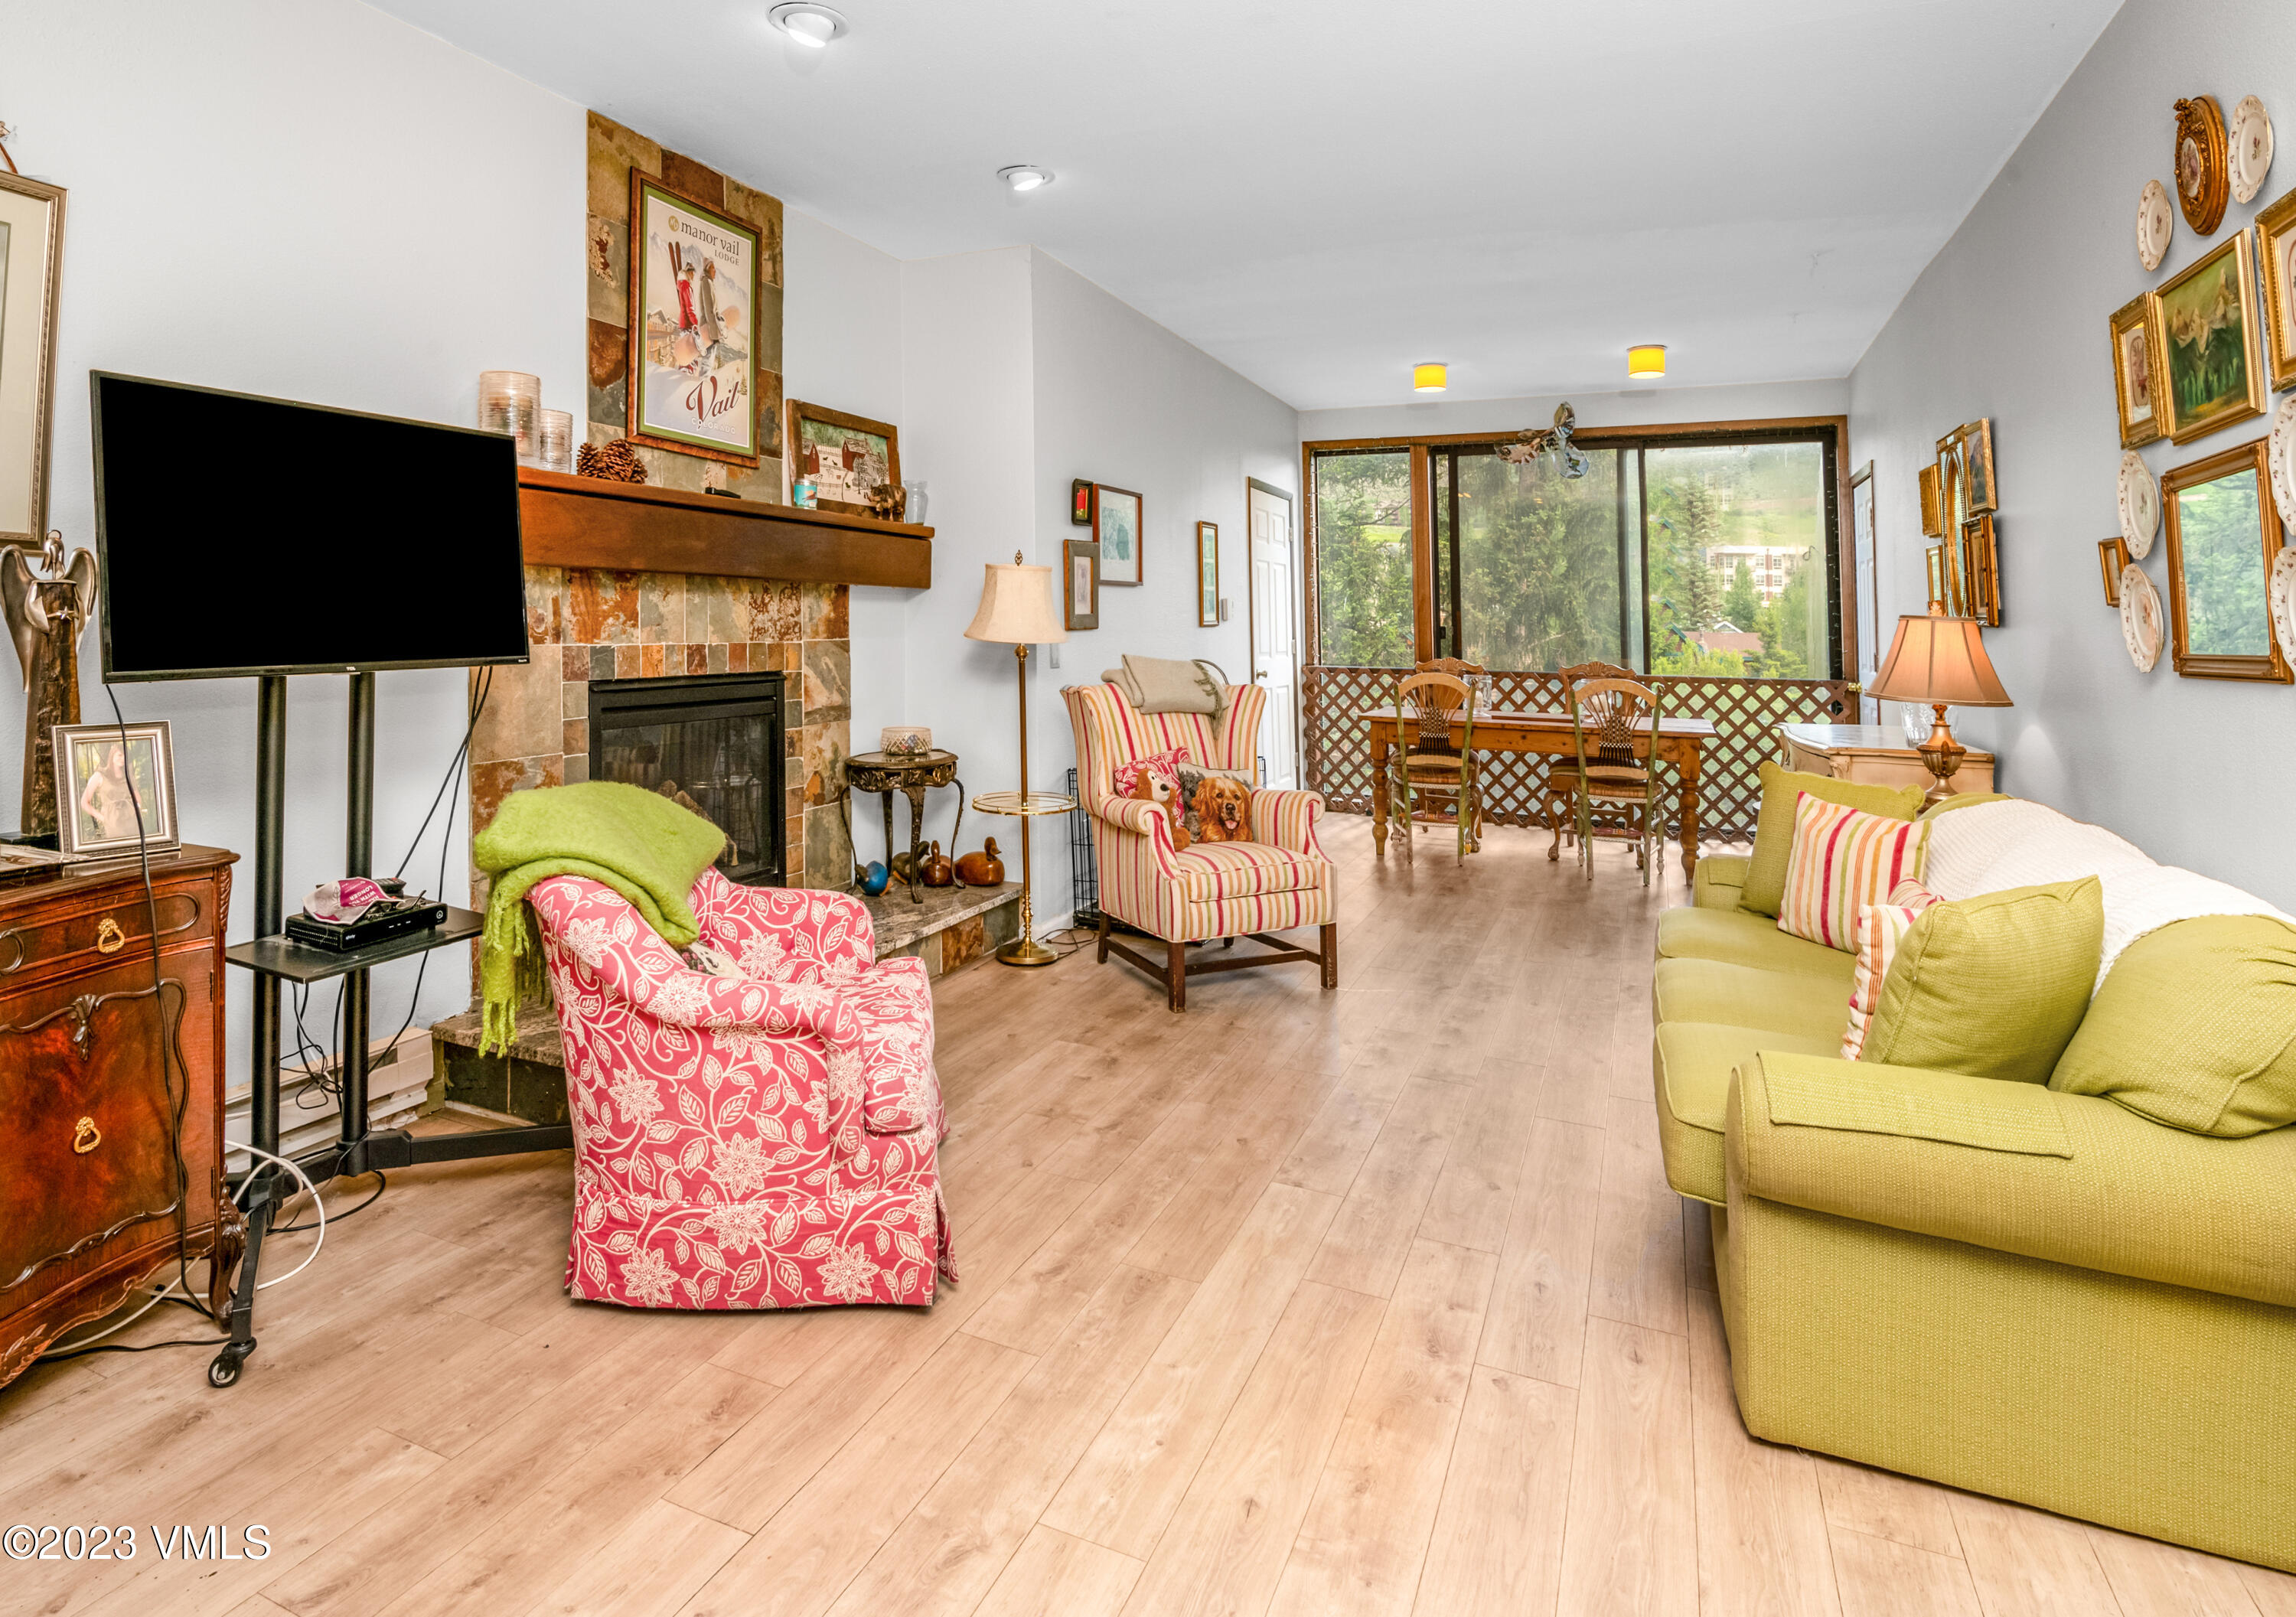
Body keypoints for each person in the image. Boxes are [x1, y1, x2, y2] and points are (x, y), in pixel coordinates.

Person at [80, 742, 142, 843]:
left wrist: (136, 811)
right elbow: (84, 802)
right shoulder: (99, 775)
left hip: (131, 820)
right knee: (118, 847)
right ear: (112, 756)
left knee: (135, 847)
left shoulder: (128, 776)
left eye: (125, 756)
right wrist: (103, 818)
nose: (123, 758)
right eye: (119, 755)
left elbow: (138, 799)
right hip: (113, 822)